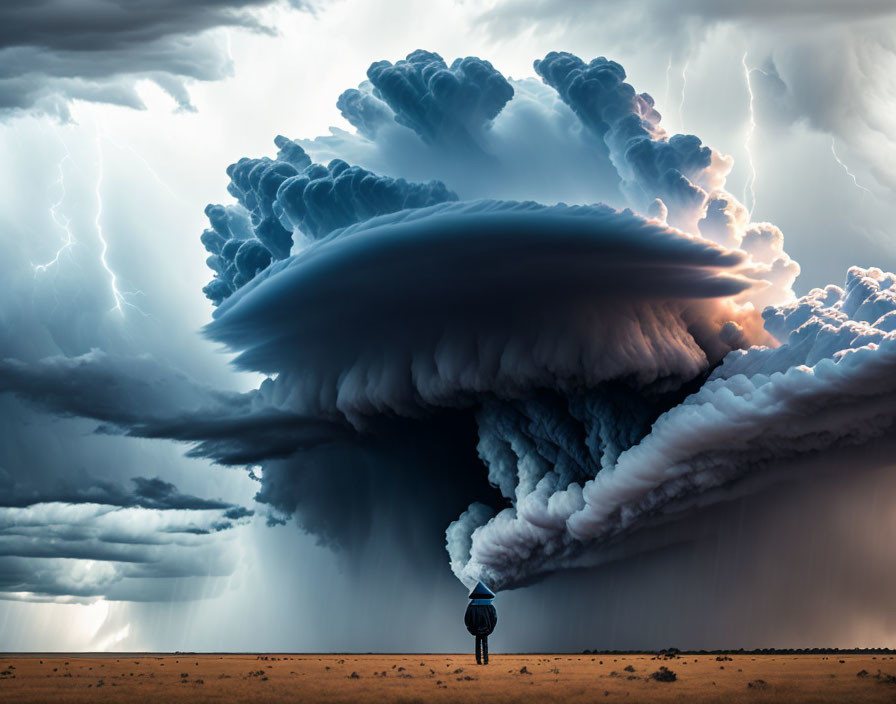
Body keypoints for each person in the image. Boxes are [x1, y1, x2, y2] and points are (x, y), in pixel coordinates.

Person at [464, 581, 497, 665]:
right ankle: (486, 660)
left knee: (477, 643)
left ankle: (478, 660)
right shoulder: (490, 606)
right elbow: (494, 619)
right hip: (486, 629)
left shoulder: (471, 606)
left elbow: (467, 619)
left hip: (476, 629)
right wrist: (490, 629)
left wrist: (471, 629)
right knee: (485, 643)